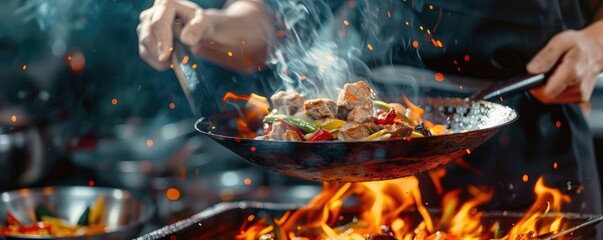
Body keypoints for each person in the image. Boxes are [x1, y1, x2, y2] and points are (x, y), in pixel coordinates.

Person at [138, 0, 602, 218]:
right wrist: (203, 26)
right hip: (372, 168)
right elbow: (269, 27)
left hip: (532, 157)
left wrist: (593, 45)